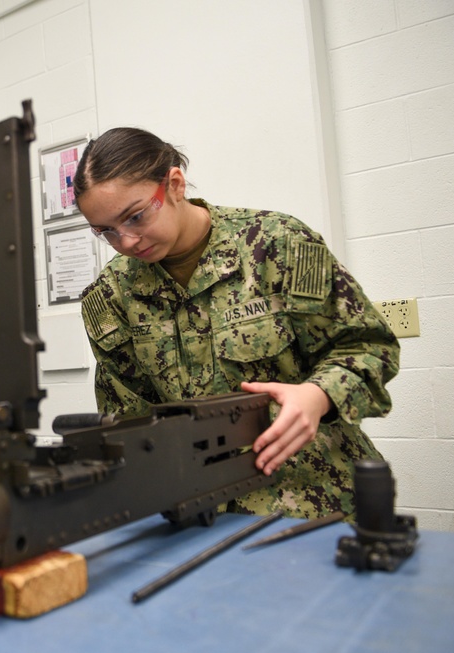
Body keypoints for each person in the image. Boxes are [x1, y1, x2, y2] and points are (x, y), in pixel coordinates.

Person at [73, 127, 399, 520]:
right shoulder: (111, 295)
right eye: (105, 231)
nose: (126, 241)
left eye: (136, 216)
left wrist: (318, 394)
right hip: (196, 514)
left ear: (174, 184)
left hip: (314, 500)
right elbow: (129, 419)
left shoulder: (277, 245)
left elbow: (369, 347)